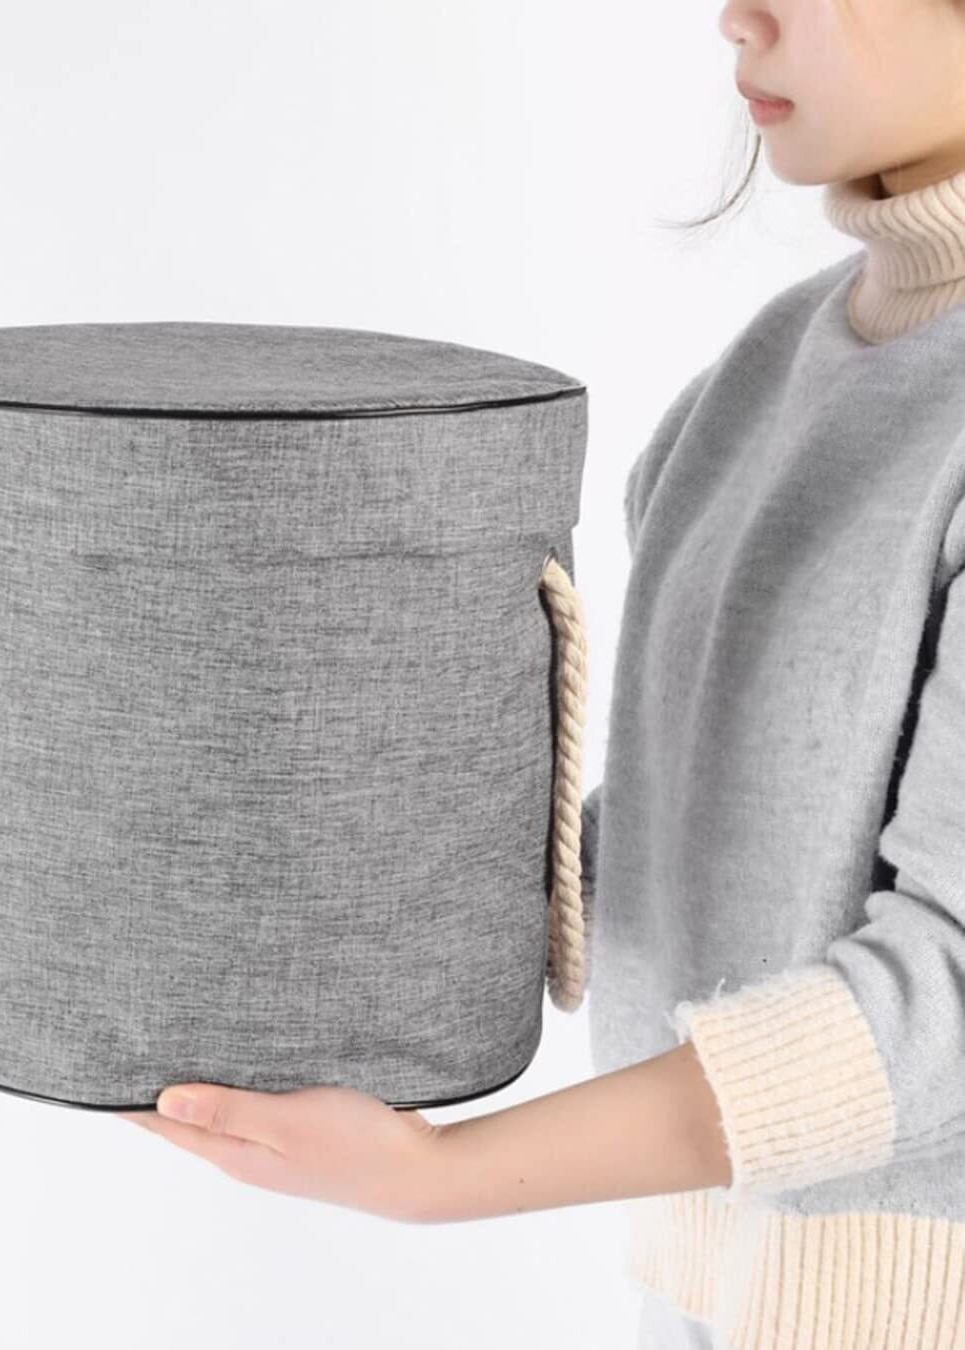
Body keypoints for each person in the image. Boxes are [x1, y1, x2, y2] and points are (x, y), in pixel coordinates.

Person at [121, 0, 965, 1344]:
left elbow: (950, 1001)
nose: (738, 17)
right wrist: (254, 913)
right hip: (701, 1307)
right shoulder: (753, 382)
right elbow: (674, 852)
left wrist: (441, 1175)